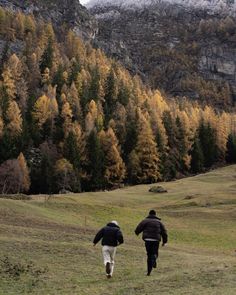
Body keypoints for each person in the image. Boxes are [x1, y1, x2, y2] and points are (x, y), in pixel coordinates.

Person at [135, 209, 168, 276]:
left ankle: (148, 272)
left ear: (149, 214)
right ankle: (154, 258)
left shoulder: (145, 221)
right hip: (156, 240)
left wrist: (137, 232)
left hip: (147, 240)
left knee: (149, 255)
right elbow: (164, 232)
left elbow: (138, 228)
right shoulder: (159, 222)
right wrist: (164, 241)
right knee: (155, 253)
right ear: (155, 214)